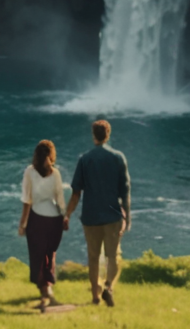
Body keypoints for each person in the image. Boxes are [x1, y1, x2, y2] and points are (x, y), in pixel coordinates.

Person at [64, 118, 131, 306]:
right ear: (108, 135)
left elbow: (76, 192)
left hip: (91, 216)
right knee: (113, 256)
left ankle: (95, 296)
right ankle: (109, 287)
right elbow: (125, 191)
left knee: (93, 258)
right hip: (112, 216)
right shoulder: (118, 158)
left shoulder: (85, 159)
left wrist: (68, 214)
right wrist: (127, 216)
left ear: (94, 135)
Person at [17, 139, 67, 312]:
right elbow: (60, 199)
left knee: (37, 256)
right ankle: (49, 289)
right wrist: (64, 217)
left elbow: (26, 200)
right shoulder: (56, 173)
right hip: (54, 219)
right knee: (49, 254)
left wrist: (22, 223)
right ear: (52, 155)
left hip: (36, 218)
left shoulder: (29, 172)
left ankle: (44, 292)